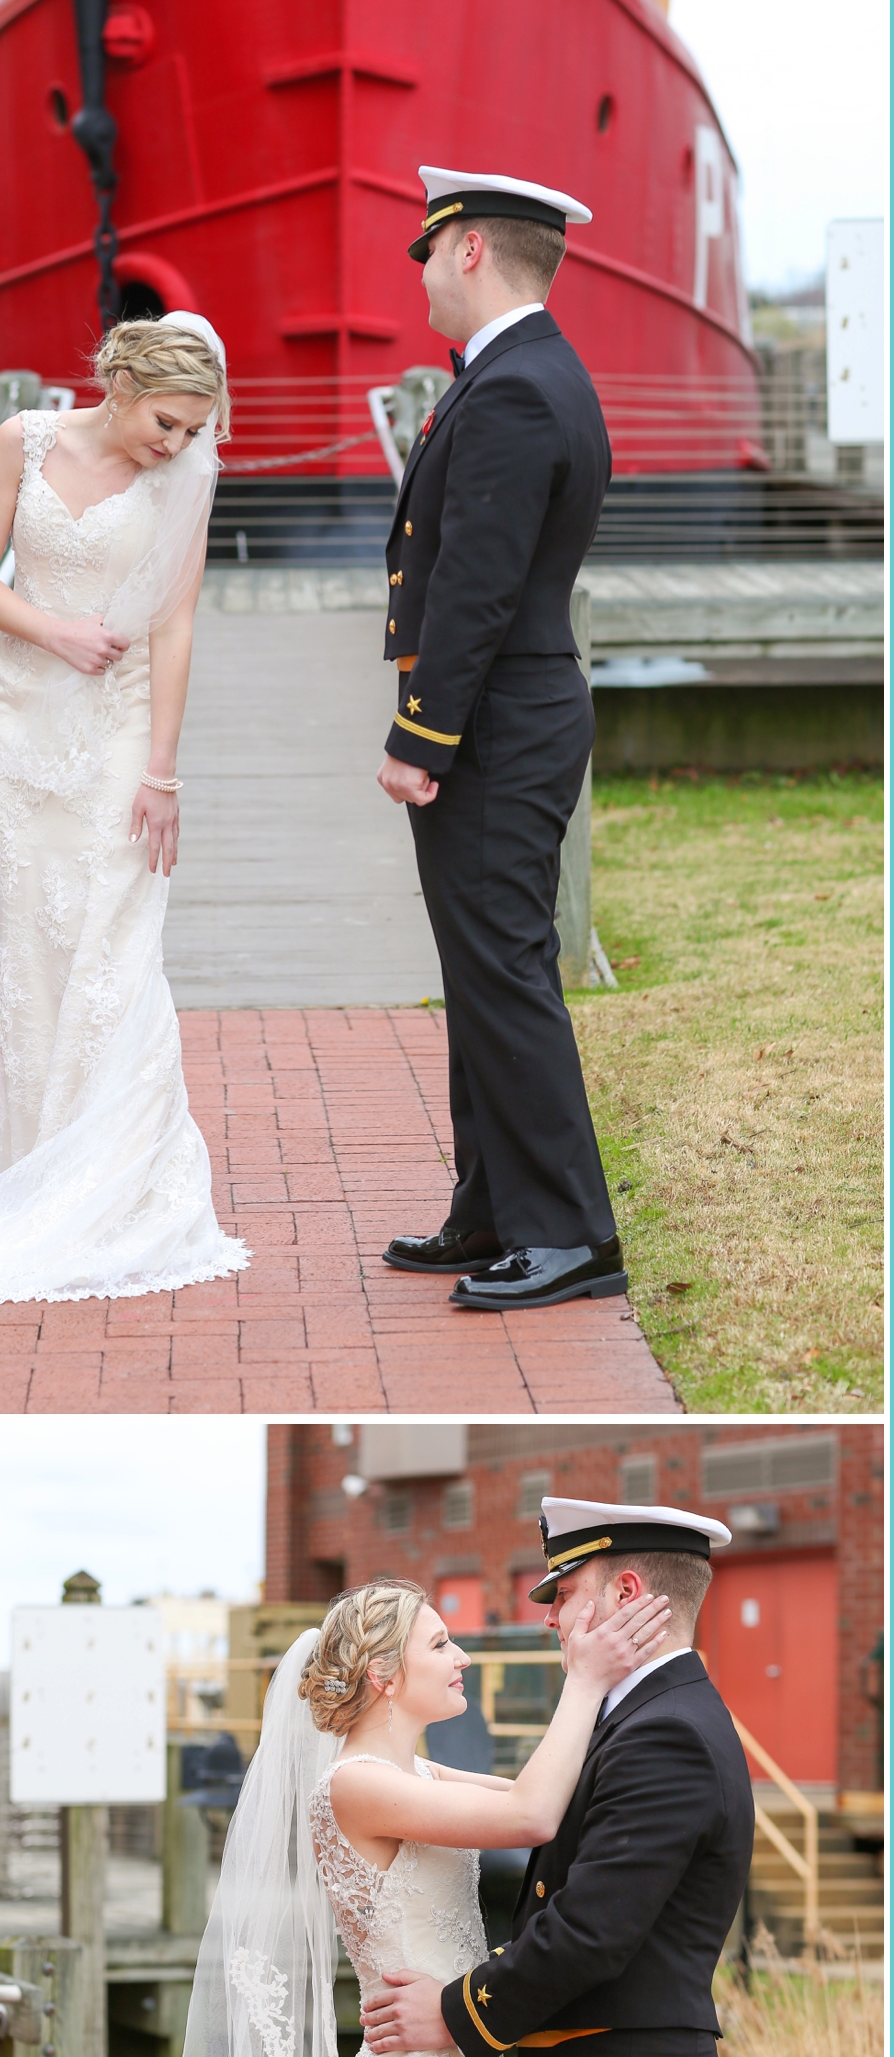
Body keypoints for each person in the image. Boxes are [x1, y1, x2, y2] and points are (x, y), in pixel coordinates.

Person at [0, 313, 249, 1306]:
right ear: (119, 385)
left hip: (119, 728)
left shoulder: (184, 479)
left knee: (115, 942)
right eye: (166, 422)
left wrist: (162, 774)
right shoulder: (22, 441)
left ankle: (124, 1182)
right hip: (24, 718)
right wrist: (55, 631)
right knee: (37, 944)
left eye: (192, 429)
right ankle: (40, 1173)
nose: (178, 443)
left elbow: (178, 622)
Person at [167, 1571, 670, 2057]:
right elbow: (530, 1816)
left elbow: (554, 1799)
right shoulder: (355, 1785)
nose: (461, 1658)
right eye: (439, 1645)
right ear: (383, 1673)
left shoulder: (421, 1775)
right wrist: (585, 1679)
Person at [378, 167, 625, 1312]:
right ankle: (493, 1208)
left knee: (507, 973)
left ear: (470, 248)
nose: (420, 272)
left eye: (429, 250)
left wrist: (420, 736)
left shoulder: (517, 389)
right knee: (483, 971)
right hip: (512, 712)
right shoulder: (521, 373)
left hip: (495, 721)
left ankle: (568, 1231)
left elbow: (477, 586)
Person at [360, 1498, 754, 2057]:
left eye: (564, 1594)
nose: (548, 1617)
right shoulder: (646, 1719)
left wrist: (455, 2013)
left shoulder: (666, 1734)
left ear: (626, 1594)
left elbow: (589, 1932)